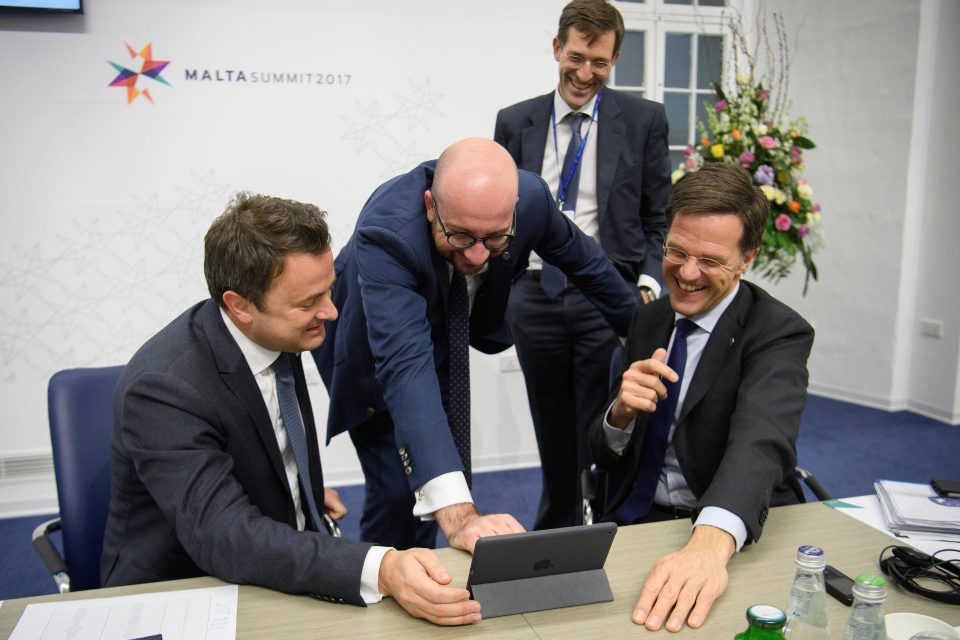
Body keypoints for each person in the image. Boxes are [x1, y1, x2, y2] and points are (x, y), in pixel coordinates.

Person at [101, 193, 483, 626]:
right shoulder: (163, 388)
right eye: (308, 303)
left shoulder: (279, 331)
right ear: (239, 306)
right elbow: (223, 538)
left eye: (329, 291)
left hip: (270, 568)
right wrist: (380, 568)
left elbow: (256, 434)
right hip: (182, 596)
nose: (331, 311)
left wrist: (293, 488)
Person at [313, 138, 638, 552]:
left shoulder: (531, 200)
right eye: (463, 236)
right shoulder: (387, 232)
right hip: (372, 345)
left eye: (497, 238)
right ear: (431, 207)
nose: (480, 256)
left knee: (439, 465)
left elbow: (589, 267)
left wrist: (648, 335)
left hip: (443, 334)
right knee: (397, 489)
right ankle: (387, 575)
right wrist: (461, 515)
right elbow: (405, 367)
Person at [588, 163, 814, 631]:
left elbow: (762, 440)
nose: (687, 274)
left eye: (710, 261)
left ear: (746, 259)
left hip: (721, 524)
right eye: (676, 251)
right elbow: (600, 452)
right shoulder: (648, 320)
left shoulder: (777, 331)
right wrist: (620, 413)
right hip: (636, 519)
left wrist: (709, 545)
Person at [494, 0, 670, 529]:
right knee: (550, 425)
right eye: (576, 57)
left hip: (606, 293)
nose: (585, 73)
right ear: (557, 49)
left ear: (614, 59)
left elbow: (657, 217)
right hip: (532, 294)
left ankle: (599, 524)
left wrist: (646, 281)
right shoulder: (514, 121)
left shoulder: (643, 121)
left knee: (602, 422)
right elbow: (497, 215)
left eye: (600, 62)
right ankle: (555, 527)